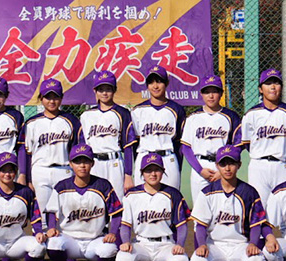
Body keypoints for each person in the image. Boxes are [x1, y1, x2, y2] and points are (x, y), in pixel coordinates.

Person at [189, 145, 275, 261]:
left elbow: (256, 224)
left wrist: (253, 243)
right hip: (215, 246)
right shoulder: (207, 192)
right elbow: (201, 225)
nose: (227, 168)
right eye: (223, 164)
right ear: (217, 166)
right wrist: (202, 244)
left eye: (232, 163)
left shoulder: (249, 192)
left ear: (239, 165)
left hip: (240, 245)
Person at [43, 144, 122, 261]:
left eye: (86, 161)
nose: (82, 166)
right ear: (71, 164)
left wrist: (112, 232)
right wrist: (51, 228)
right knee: (52, 244)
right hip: (69, 240)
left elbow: (116, 213)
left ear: (92, 163)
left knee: (110, 248)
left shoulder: (103, 185)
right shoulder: (62, 187)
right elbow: (51, 211)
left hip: (95, 239)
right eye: (77, 162)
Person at [116, 152, 190, 261]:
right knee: (122, 260)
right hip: (142, 244)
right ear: (142, 173)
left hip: (165, 245)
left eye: (157, 170)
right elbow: (125, 225)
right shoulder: (131, 195)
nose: (153, 174)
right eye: (148, 170)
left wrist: (180, 244)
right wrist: (125, 242)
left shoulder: (173, 194)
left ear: (163, 172)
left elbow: (181, 225)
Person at [17, 78, 84, 226]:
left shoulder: (71, 120)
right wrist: (25, 176)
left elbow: (77, 150)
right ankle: (44, 247)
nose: (52, 101)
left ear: (61, 98)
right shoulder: (31, 123)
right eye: (48, 97)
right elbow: (25, 151)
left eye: (55, 97)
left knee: (65, 214)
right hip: (40, 171)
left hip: (64, 169)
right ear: (41, 98)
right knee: (43, 213)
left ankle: (62, 247)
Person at [239, 68, 286, 212]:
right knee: (259, 210)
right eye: (268, 83)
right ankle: (260, 236)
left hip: (283, 165)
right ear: (260, 89)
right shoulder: (251, 114)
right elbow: (247, 143)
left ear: (281, 87)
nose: (272, 87)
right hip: (258, 166)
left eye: (276, 83)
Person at [180, 74, 241, 204]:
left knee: (224, 209)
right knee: (199, 210)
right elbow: (185, 147)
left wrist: (224, 169)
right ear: (201, 94)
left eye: (215, 91)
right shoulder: (193, 117)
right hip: (200, 165)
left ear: (221, 93)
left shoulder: (231, 117)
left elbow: (238, 146)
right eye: (207, 92)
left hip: (224, 166)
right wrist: (200, 170)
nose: (211, 96)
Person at [80, 70, 136, 202]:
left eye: (108, 89)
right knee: (94, 203)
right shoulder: (86, 115)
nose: (104, 93)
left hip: (114, 162)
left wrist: (128, 175)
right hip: (94, 164)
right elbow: (82, 145)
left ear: (114, 90)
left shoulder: (123, 113)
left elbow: (128, 147)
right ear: (95, 91)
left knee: (117, 202)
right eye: (101, 89)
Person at [131, 64, 185, 189]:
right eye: (151, 82)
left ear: (166, 83)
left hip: (167, 158)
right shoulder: (138, 110)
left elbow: (179, 143)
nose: (155, 86)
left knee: (170, 198)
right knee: (142, 199)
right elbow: (134, 142)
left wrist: (177, 165)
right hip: (144, 156)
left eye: (159, 81)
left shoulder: (176, 110)